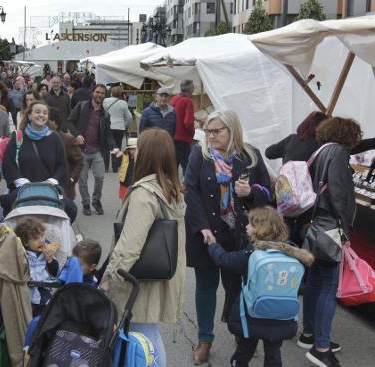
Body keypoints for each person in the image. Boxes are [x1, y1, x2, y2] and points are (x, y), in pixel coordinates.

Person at [184, 109, 272, 365]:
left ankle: (239, 331)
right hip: (206, 231)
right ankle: (205, 338)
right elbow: (191, 191)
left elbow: (267, 192)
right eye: (208, 130)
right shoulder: (199, 154)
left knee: (236, 285)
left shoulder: (250, 155)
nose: (210, 136)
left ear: (231, 131)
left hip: (240, 234)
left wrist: (250, 192)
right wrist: (202, 227)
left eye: (216, 131)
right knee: (206, 285)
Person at [100, 128, 187, 367]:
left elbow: (130, 245)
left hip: (138, 281)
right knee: (150, 336)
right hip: (159, 276)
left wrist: (110, 278)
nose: (133, 151)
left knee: (140, 339)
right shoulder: (170, 187)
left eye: (138, 148)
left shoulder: (144, 193)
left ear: (147, 154)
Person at [207, 206, 314, 367]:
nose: (246, 227)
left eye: (250, 224)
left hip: (253, 315)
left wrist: (213, 245)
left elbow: (224, 259)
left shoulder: (251, 255)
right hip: (281, 316)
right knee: (273, 355)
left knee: (245, 351)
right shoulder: (292, 251)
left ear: (260, 229)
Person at [299, 117, 362, 367]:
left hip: (315, 225)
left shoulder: (321, 150)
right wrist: (345, 229)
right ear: (348, 135)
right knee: (328, 286)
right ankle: (321, 348)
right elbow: (337, 192)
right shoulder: (337, 153)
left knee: (315, 281)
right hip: (329, 227)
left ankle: (309, 334)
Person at [1, 101, 77, 221]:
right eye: (37, 112)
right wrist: (21, 182)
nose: (41, 115)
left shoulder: (55, 138)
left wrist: (52, 181)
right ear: (29, 115)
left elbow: (62, 166)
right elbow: (9, 163)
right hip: (23, 189)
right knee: (8, 207)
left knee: (71, 208)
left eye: (45, 113)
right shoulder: (18, 137)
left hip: (49, 190)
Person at [265, 111, 329, 244]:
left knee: (285, 237)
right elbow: (352, 147)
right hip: (308, 203)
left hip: (286, 198)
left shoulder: (291, 139)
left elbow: (269, 152)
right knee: (304, 241)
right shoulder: (324, 146)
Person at [66, 84, 118, 216]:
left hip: (97, 151)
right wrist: (77, 134)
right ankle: (86, 203)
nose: (99, 95)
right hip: (81, 151)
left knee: (100, 177)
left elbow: (108, 135)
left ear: (104, 96)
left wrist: (115, 147)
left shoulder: (105, 114)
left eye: (102, 93)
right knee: (82, 180)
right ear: (92, 93)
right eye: (97, 92)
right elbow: (69, 121)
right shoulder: (82, 106)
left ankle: (96, 201)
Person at [15, 217, 59, 317]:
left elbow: (55, 272)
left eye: (42, 236)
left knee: (48, 311)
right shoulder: (21, 254)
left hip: (43, 289)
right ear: (26, 242)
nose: (41, 241)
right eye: (36, 239)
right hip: (26, 292)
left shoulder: (47, 251)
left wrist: (50, 260)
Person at [103, 85, 132, 172]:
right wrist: (125, 124)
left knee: (106, 147)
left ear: (111, 92)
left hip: (108, 127)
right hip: (119, 127)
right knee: (117, 146)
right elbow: (129, 117)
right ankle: (115, 167)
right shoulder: (123, 103)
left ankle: (106, 166)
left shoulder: (105, 101)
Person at [170, 80, 196, 173]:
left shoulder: (174, 99)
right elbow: (188, 122)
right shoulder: (188, 101)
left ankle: (172, 186)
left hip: (172, 137)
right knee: (187, 166)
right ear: (190, 89)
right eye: (193, 88)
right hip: (183, 139)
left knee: (173, 166)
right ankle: (187, 187)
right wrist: (193, 133)